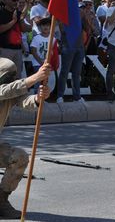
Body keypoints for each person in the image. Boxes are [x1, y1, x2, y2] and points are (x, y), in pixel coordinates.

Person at [0, 58, 51, 219]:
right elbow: (4, 91)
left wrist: (38, 98)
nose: (11, 80)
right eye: (7, 77)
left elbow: (24, 100)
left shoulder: (12, 88)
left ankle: (1, 200)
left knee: (19, 157)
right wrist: (34, 78)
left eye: (13, 76)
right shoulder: (7, 89)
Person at [0, 0, 30, 76]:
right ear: (6, 0)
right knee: (4, 76)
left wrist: (21, 21)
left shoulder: (17, 12)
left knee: (17, 76)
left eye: (17, 0)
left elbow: (23, 29)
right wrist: (13, 21)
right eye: (13, 0)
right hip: (4, 49)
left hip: (18, 49)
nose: (16, 2)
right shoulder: (1, 12)